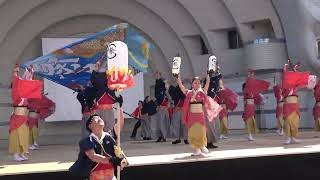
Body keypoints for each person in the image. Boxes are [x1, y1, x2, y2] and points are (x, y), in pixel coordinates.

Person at [69, 114, 128, 180]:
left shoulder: (110, 136)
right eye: (95, 118)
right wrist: (112, 160)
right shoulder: (87, 141)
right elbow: (93, 156)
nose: (99, 118)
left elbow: (120, 123)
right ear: (90, 125)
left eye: (100, 117)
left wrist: (120, 107)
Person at [177, 75, 222, 155]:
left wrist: (208, 77)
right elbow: (181, 86)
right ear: (192, 84)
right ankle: (197, 149)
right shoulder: (189, 92)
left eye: (198, 83)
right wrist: (178, 78)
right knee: (193, 132)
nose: (197, 84)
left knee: (201, 132)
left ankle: (202, 146)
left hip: (200, 115)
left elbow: (207, 85)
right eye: (195, 83)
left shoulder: (202, 92)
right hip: (192, 116)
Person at [9, 64, 43, 161]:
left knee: (24, 136)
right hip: (17, 118)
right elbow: (17, 81)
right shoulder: (16, 95)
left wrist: (31, 73)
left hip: (24, 117)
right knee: (17, 136)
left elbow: (28, 82)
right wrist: (15, 71)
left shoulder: (26, 95)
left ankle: (22, 153)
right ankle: (16, 154)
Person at [282, 61, 315, 144]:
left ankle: (294, 137)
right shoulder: (285, 85)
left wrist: (296, 67)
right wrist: (286, 66)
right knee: (288, 121)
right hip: (288, 105)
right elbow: (286, 73)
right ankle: (288, 138)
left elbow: (298, 77)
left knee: (295, 121)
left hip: (295, 104)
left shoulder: (295, 85)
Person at [91, 61, 123, 134]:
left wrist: (119, 101)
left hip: (109, 110)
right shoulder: (98, 81)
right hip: (100, 109)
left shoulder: (112, 79)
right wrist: (95, 69)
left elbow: (116, 86)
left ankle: (108, 141)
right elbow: (93, 80)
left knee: (110, 128)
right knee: (99, 129)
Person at [203, 56, 223, 148]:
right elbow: (217, 77)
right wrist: (217, 71)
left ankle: (211, 141)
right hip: (209, 103)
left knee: (215, 124)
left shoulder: (214, 78)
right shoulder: (208, 77)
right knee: (210, 124)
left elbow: (218, 79)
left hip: (214, 104)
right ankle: (208, 142)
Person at [242, 70, 269, 141]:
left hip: (251, 107)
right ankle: (249, 134)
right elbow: (248, 82)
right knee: (249, 120)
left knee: (251, 120)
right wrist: (249, 76)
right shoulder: (246, 92)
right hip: (248, 107)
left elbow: (257, 96)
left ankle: (249, 134)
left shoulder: (252, 92)